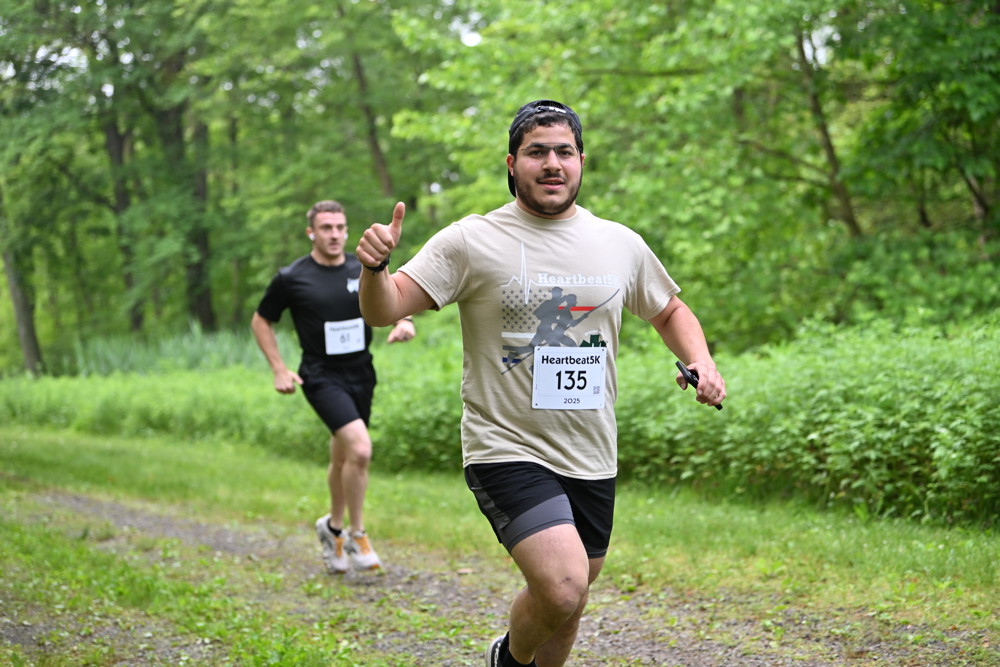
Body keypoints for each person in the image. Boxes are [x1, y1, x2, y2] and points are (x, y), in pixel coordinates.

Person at [355, 100, 726, 667]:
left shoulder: (618, 242)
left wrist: (702, 360)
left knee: (569, 601)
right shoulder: (471, 239)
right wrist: (374, 268)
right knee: (561, 585)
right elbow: (385, 309)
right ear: (512, 164)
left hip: (590, 450)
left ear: (581, 161)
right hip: (506, 446)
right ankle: (507, 658)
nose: (552, 163)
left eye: (564, 152)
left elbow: (669, 310)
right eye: (537, 152)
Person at [251, 199, 416, 574]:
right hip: (320, 375)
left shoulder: (363, 266)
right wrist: (278, 368)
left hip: (361, 372)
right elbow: (261, 321)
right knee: (360, 449)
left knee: (343, 457)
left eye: (340, 227)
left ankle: (333, 528)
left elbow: (393, 296)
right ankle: (357, 534)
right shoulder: (292, 277)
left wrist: (403, 321)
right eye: (326, 228)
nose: (335, 234)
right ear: (311, 232)